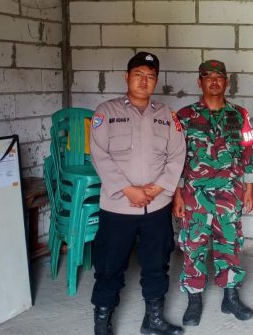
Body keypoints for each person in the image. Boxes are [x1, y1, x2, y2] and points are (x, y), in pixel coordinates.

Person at [89, 51, 186, 335]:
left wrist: (158, 187)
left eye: (150, 76)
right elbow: (99, 155)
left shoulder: (167, 116)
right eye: (138, 75)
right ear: (126, 77)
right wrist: (127, 190)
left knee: (157, 264)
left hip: (156, 206)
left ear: (156, 81)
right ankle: (102, 322)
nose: (144, 81)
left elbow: (177, 155)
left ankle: (153, 320)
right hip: (118, 207)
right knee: (109, 265)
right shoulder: (106, 112)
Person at [172, 60, 253, 325]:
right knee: (193, 246)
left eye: (219, 77)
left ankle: (230, 297)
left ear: (226, 82)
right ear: (200, 82)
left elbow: (250, 152)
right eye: (208, 77)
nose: (214, 81)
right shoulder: (184, 116)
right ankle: (194, 300)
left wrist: (250, 188)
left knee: (229, 243)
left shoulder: (240, 115)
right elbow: (175, 157)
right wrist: (177, 194)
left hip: (230, 192)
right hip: (195, 194)